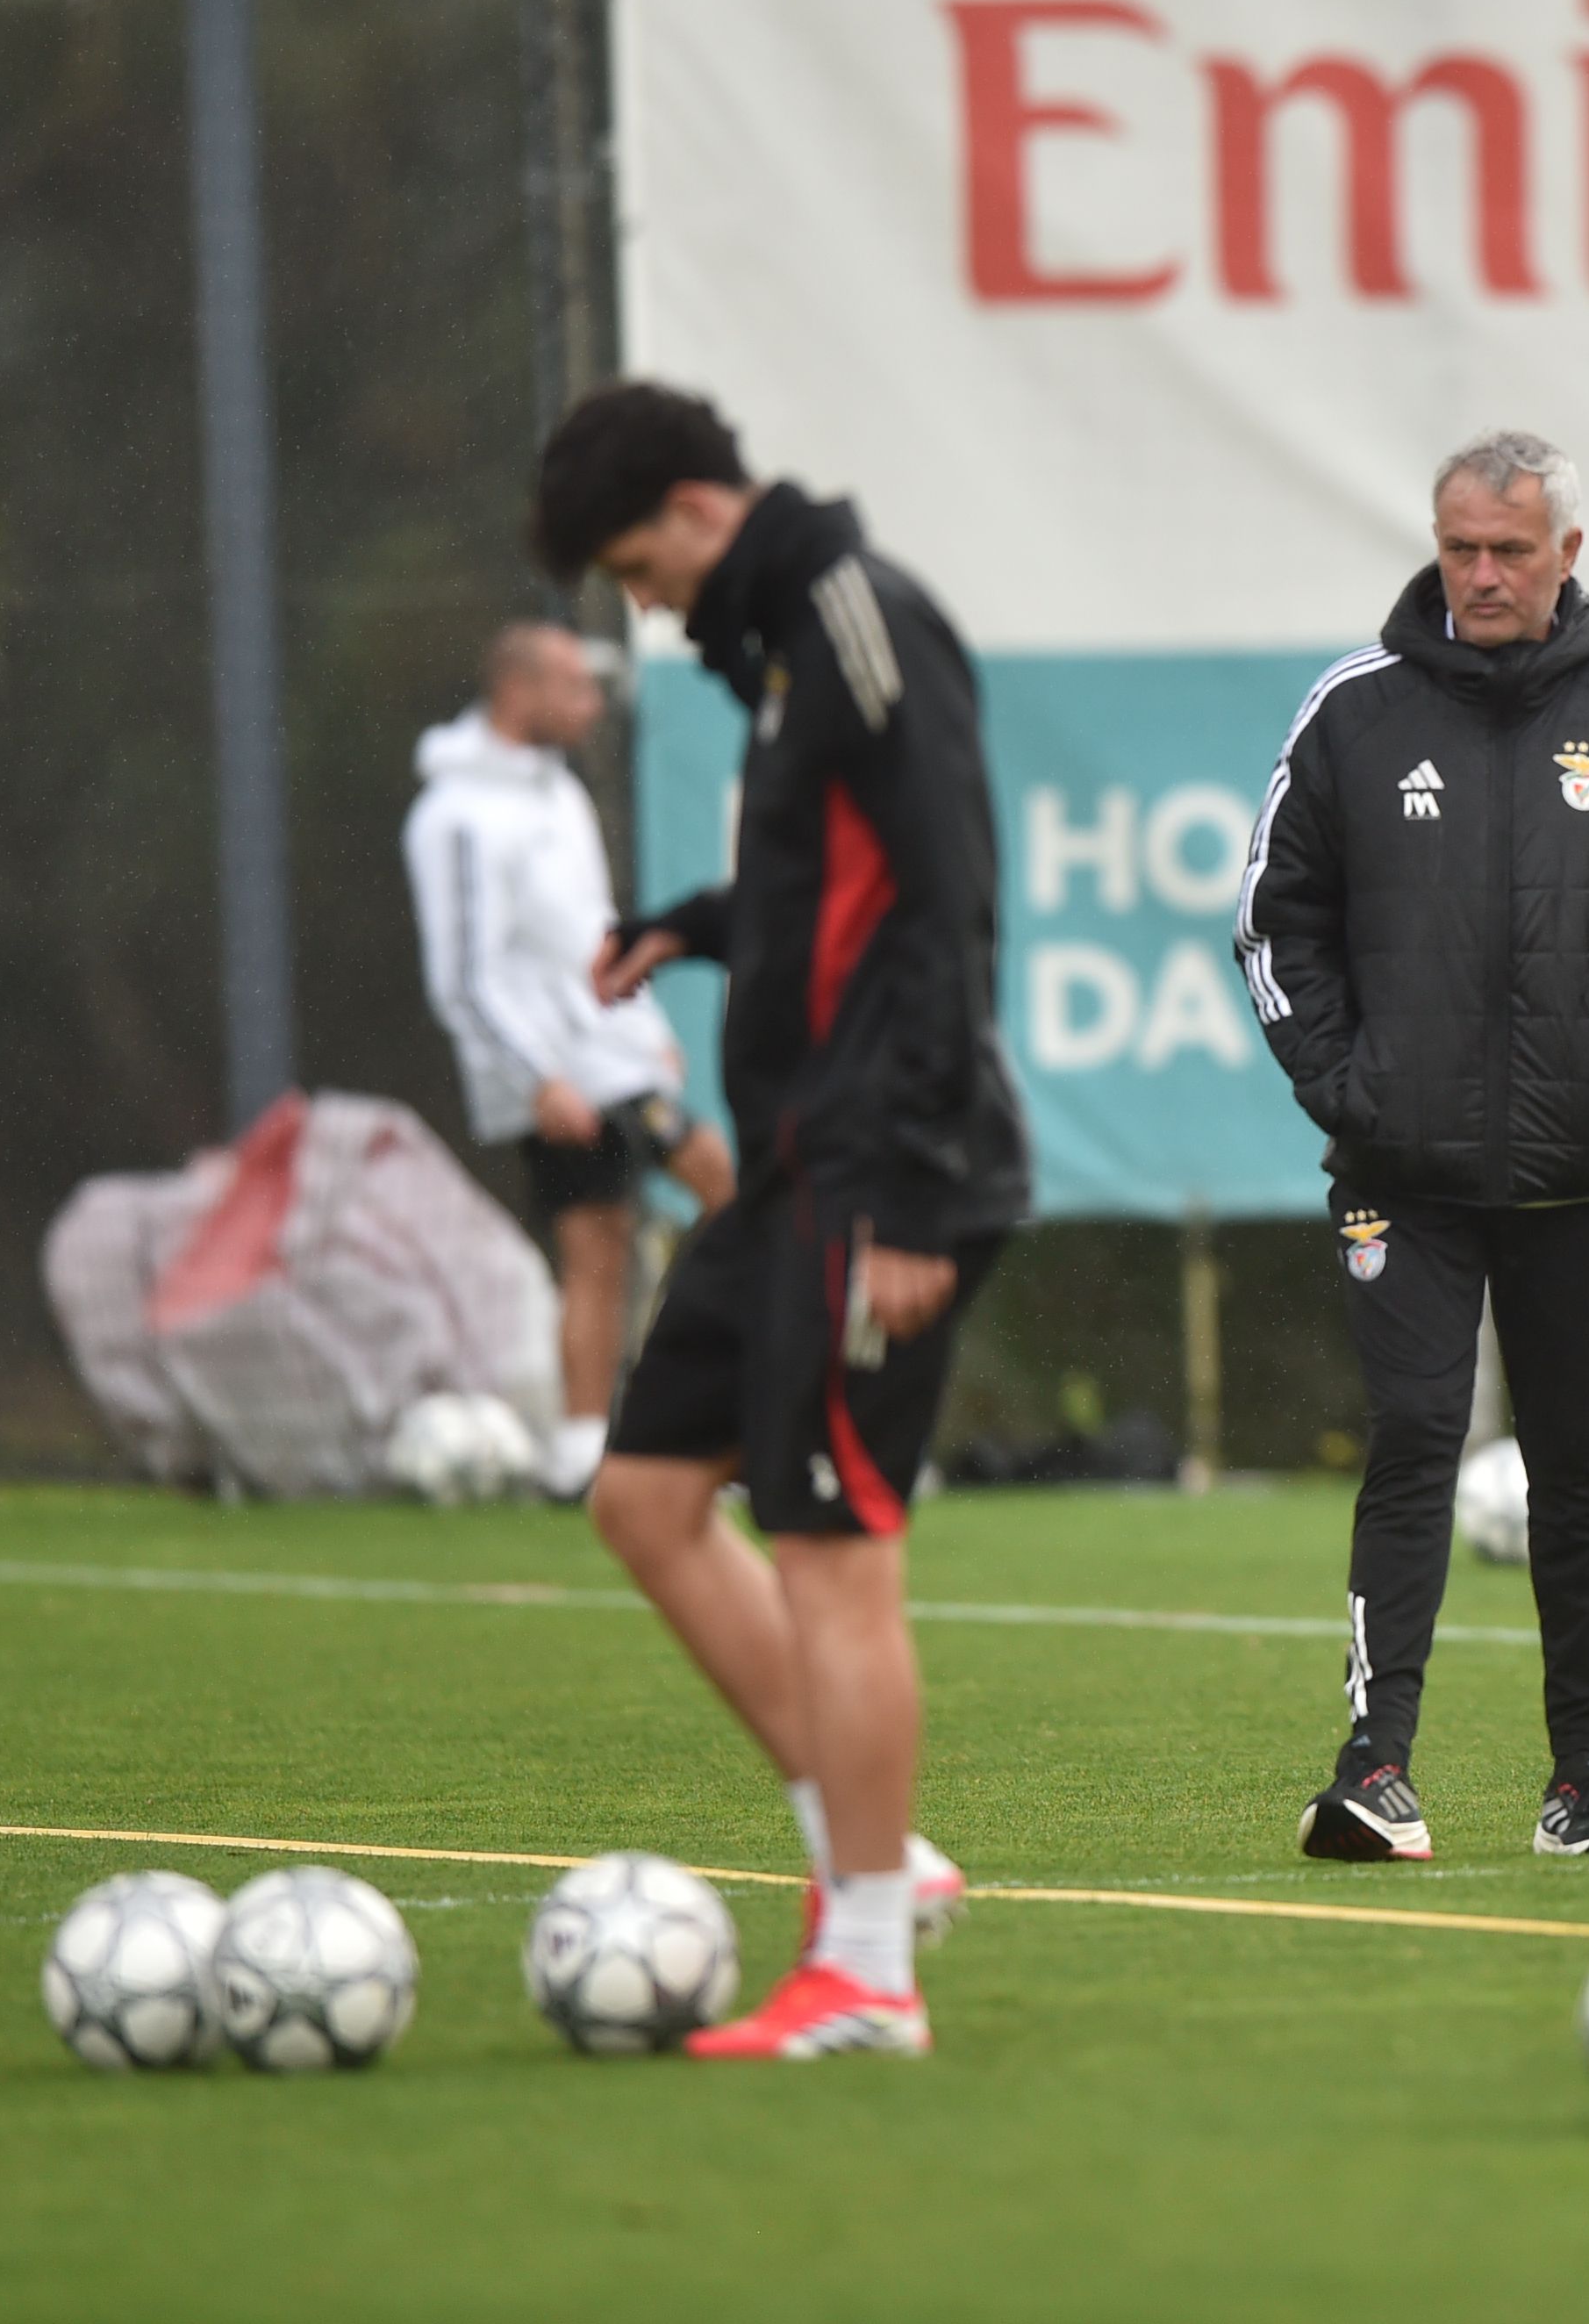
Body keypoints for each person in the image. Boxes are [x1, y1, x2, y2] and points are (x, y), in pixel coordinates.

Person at [534, 383, 1031, 2061]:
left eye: (633, 567)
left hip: (880, 1177)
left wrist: (910, 1185)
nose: (641, 605)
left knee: (833, 1555)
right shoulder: (776, 648)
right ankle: (874, 1858)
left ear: (692, 509)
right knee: (647, 1500)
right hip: (795, 1168)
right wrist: (692, 925)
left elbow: (948, 897)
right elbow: (829, 895)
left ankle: (870, 1972)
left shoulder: (856, 623)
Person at [1233, 428, 1589, 1863]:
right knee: (1412, 1438)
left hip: (1581, 1168)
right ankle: (1373, 1768)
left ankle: (1581, 1781)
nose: (1477, 574)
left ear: (1565, 556)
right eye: (1457, 546)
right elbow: (1275, 923)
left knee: (1572, 1461)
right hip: (1398, 1175)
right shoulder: (1354, 709)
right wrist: (1346, 1088)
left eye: (1507, 552)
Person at [403, 619, 734, 1499]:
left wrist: (644, 1020)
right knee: (600, 1243)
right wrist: (534, 1078)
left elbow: (588, 928)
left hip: (615, 1058)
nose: (590, 707)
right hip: (555, 1071)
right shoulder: (454, 816)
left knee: (712, 1192)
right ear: (520, 693)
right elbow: (464, 975)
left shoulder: (559, 793)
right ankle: (585, 1450)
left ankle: (679, 1418)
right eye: (573, 689)